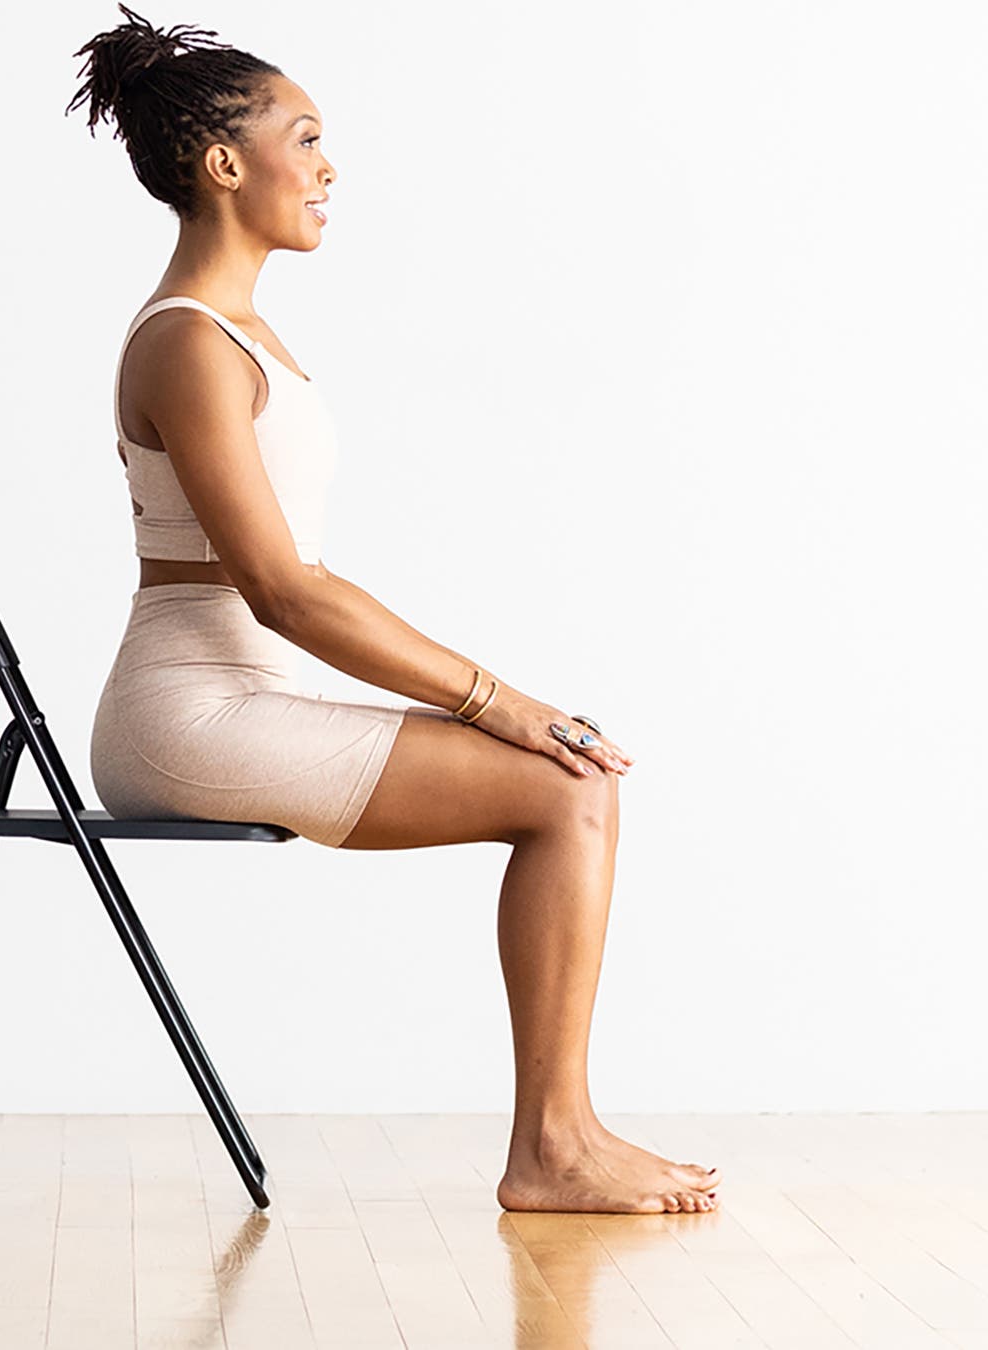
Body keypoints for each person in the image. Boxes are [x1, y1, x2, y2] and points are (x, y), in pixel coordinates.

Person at [67, 6, 721, 1216]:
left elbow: (293, 593)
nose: (327, 168)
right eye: (303, 139)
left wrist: (497, 703)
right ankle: (554, 1150)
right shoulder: (188, 345)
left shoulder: (235, 333)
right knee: (567, 782)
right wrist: (500, 701)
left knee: (570, 783)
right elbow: (284, 589)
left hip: (239, 694)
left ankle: (561, 1138)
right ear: (223, 165)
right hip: (188, 715)